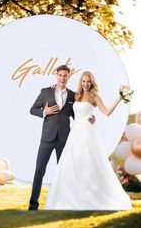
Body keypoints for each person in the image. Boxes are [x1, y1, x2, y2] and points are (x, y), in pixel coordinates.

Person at [44, 71, 132, 210]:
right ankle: (72, 196)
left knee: (88, 163)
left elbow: (107, 112)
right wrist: (54, 87)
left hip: (87, 133)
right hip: (75, 134)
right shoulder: (76, 95)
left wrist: (119, 98)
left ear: (92, 83)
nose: (85, 84)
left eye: (88, 81)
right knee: (72, 164)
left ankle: (92, 195)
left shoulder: (94, 97)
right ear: (81, 82)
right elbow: (64, 97)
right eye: (83, 81)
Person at [28, 65, 95, 210]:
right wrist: (44, 111)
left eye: (65, 75)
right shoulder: (45, 91)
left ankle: (63, 204)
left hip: (64, 139)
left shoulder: (73, 95)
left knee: (64, 173)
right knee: (39, 169)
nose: (62, 78)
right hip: (47, 138)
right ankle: (33, 205)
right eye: (60, 75)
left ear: (68, 77)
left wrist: (91, 117)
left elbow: (79, 113)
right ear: (56, 76)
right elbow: (32, 110)